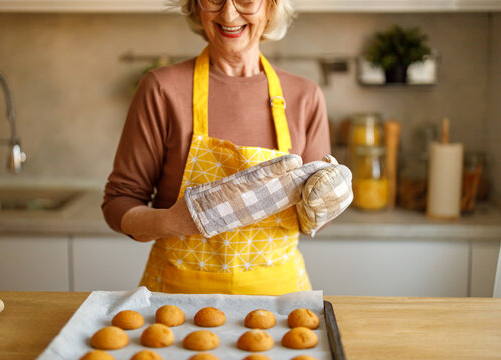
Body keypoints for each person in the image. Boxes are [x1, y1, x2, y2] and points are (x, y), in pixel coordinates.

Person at [102, 0, 348, 295]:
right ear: (196, 7)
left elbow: (315, 220)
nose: (229, 14)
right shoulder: (161, 89)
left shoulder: (305, 96)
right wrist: (172, 221)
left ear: (270, 7)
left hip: (280, 303)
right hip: (177, 301)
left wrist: (328, 204)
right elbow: (119, 203)